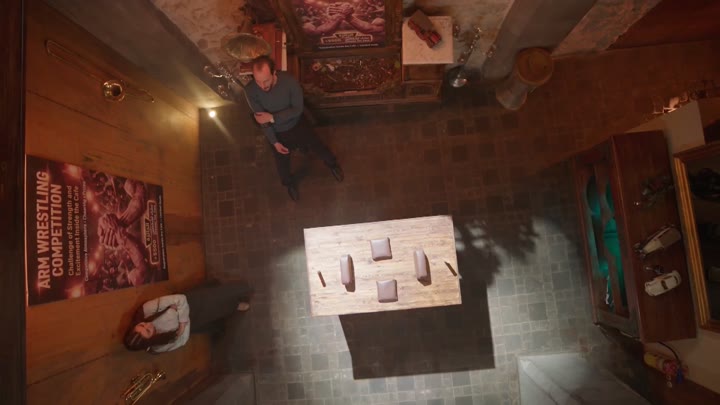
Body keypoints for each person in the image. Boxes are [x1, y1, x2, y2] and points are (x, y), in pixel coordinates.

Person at [245, 55, 344, 201]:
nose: (262, 86)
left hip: (297, 124)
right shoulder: (251, 90)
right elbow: (262, 120)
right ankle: (288, 184)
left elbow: (297, 109)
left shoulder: (289, 82)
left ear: (274, 73)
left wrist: (272, 117)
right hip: (277, 132)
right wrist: (274, 142)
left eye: (266, 80)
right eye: (258, 81)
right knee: (282, 164)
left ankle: (332, 164)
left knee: (319, 147)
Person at [123, 282, 252, 353]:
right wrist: (181, 317)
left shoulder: (146, 310)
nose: (148, 325)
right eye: (148, 331)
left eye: (141, 325)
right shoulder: (157, 346)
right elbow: (181, 341)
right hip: (192, 322)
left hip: (191, 303)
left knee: (216, 296)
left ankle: (244, 289)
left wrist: (182, 324)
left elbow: (181, 299)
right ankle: (234, 305)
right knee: (215, 312)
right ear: (150, 340)